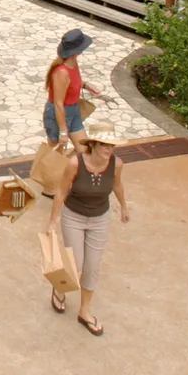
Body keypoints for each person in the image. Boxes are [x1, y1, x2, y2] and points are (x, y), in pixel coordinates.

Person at [47, 120, 130, 335]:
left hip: (99, 218)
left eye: (112, 146)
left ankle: (84, 311)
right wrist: (52, 221)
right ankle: (60, 287)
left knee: (92, 266)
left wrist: (123, 206)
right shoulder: (75, 164)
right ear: (93, 144)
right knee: (75, 264)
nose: (109, 150)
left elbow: (116, 185)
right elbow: (61, 191)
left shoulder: (116, 164)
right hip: (74, 215)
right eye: (105, 145)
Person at [44, 29, 106, 148]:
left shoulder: (73, 62)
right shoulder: (62, 72)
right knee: (55, 155)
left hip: (73, 110)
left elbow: (72, 82)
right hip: (58, 115)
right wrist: (63, 130)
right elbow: (58, 103)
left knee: (84, 150)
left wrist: (86, 85)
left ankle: (70, 165)